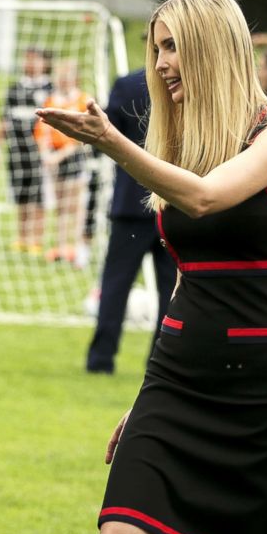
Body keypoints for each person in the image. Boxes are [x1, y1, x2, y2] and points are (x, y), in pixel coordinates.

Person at [37, 0, 267, 534]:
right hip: (180, 373)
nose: (161, 63)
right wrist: (145, 393)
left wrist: (112, 141)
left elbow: (203, 198)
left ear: (213, 48)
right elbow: (184, 278)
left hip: (266, 383)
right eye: (156, 48)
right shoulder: (188, 144)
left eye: (173, 48)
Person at [85, 68, 177, 375]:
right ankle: (159, 361)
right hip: (173, 202)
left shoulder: (127, 84)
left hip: (132, 203)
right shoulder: (187, 84)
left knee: (116, 284)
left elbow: (106, 136)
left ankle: (101, 359)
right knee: (171, 290)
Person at [0, 46, 52, 254]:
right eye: (27, 59)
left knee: (38, 194)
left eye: (35, 59)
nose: (30, 63)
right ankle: (22, 238)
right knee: (21, 193)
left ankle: (36, 238)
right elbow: (4, 120)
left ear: (44, 63)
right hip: (16, 150)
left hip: (40, 152)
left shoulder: (50, 88)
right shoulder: (15, 88)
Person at [34, 58, 90, 265]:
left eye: (67, 76)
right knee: (59, 206)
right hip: (53, 158)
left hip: (73, 157)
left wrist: (60, 155)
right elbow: (41, 129)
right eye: (60, 76)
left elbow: (82, 134)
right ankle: (60, 246)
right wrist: (46, 154)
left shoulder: (83, 99)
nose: (63, 80)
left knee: (74, 205)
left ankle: (75, 247)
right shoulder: (51, 100)